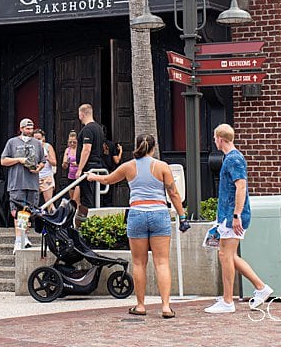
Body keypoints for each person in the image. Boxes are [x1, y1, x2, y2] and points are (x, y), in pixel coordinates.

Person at [87, 134, 188, 318]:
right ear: (153, 148)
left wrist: (93, 177)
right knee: (162, 262)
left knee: (139, 263)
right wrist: (182, 216)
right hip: (159, 213)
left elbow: (108, 180)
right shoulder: (162, 166)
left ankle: (141, 305)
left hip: (137, 213)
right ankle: (165, 307)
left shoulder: (128, 166)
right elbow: (173, 193)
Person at [204, 123, 273, 314]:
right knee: (229, 255)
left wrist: (236, 215)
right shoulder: (232, 158)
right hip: (228, 214)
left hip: (231, 215)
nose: (214, 141)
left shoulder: (233, 159)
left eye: (215, 138)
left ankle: (228, 301)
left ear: (220, 139)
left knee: (225, 255)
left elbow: (240, 187)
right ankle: (260, 288)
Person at [0, 118, 45, 252]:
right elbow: (3, 161)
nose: (29, 131)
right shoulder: (12, 142)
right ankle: (19, 239)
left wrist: (38, 168)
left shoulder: (37, 143)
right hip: (17, 182)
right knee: (19, 212)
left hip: (32, 182)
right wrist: (19, 160)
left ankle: (24, 236)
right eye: (27, 128)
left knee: (28, 212)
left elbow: (43, 161)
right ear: (21, 128)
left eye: (31, 128)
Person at [75, 103, 106, 224]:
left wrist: (79, 168)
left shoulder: (87, 129)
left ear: (82, 114)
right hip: (97, 164)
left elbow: (86, 149)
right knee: (93, 195)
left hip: (89, 167)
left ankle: (84, 223)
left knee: (87, 197)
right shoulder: (98, 128)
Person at [32, 128, 57, 210]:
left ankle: (54, 220)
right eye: (35, 139)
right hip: (34, 177)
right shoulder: (31, 148)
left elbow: (54, 162)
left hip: (46, 177)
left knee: (49, 201)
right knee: (32, 201)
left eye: (39, 139)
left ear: (43, 138)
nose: (37, 141)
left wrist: (48, 158)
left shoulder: (48, 147)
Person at [61, 131, 80, 204]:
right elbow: (64, 166)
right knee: (72, 199)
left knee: (76, 199)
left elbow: (84, 162)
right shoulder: (67, 149)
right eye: (70, 142)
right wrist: (65, 163)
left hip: (78, 176)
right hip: (71, 176)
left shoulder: (79, 150)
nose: (72, 144)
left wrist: (77, 164)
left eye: (74, 142)